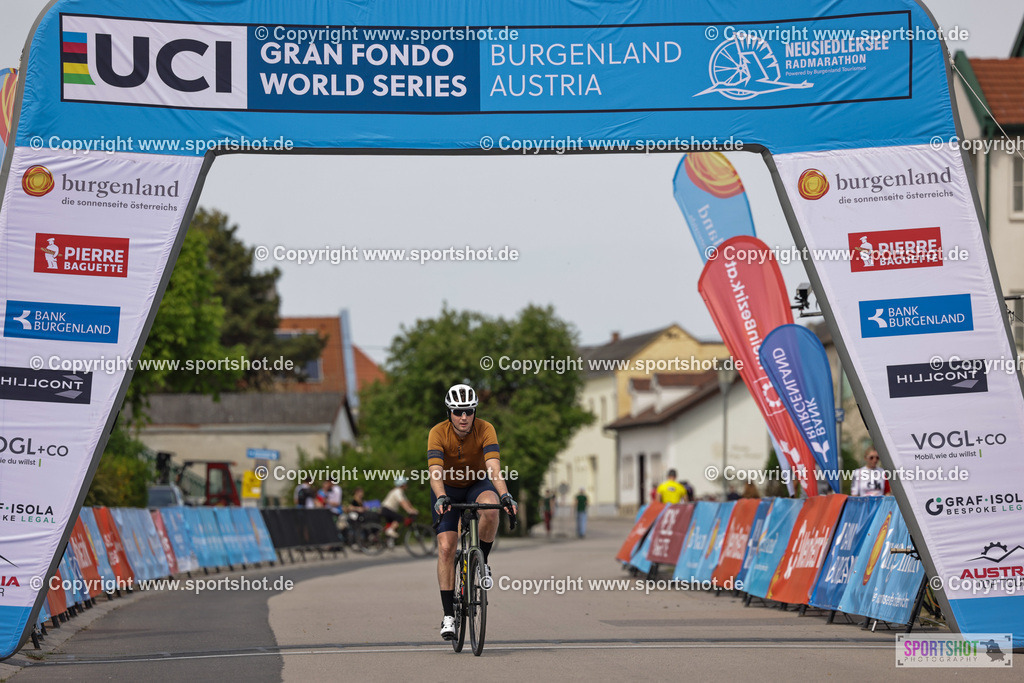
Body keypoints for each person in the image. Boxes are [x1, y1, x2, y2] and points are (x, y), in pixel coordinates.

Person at [430, 383, 517, 641]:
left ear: (474, 411)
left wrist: (505, 495)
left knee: (491, 509)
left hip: (477, 484)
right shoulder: (437, 432)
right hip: (446, 487)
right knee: (447, 547)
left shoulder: (486, 429)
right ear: (449, 412)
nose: (464, 417)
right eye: (458, 412)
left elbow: (493, 467)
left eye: (468, 411)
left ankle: (482, 563)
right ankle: (448, 615)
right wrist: (441, 496)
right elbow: (435, 472)